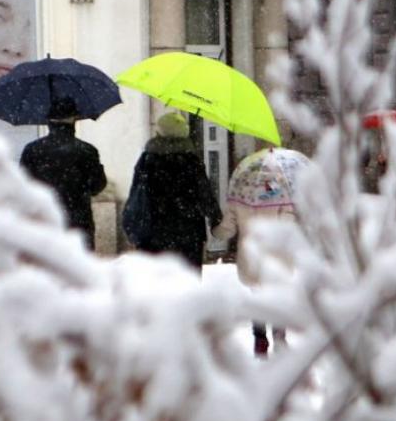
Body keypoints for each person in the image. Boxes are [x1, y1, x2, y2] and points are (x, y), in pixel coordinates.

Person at [211, 153, 296, 357]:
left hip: (251, 254)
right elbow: (288, 223)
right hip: (276, 254)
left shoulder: (240, 195)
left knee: (257, 296)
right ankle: (279, 337)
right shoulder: (282, 193)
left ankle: (259, 339)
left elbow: (227, 229)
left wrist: (215, 231)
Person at [124, 111, 222, 269]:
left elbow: (137, 194)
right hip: (188, 233)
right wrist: (215, 219)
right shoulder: (192, 161)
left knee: (157, 279)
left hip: (154, 232)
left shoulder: (148, 159)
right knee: (187, 278)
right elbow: (205, 194)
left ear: (159, 132)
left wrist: (131, 223)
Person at [19, 102, 107, 249]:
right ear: (74, 121)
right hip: (78, 222)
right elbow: (97, 186)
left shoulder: (32, 150)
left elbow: (22, 186)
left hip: (42, 221)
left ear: (49, 122)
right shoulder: (87, 150)